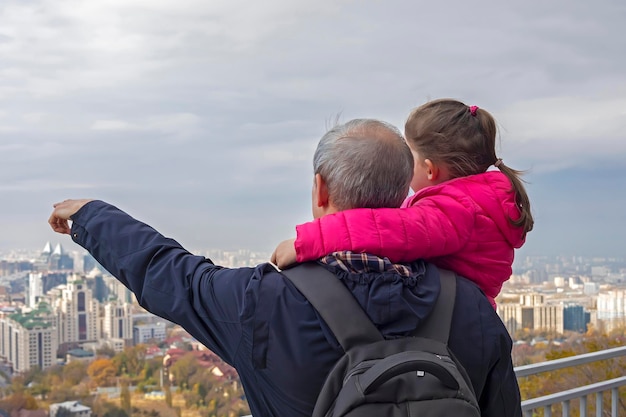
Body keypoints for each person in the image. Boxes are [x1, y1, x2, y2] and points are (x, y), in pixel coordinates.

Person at [49, 119, 522, 417]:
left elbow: (168, 273)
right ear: (404, 197)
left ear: (320, 190)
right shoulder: (470, 306)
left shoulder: (262, 302)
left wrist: (90, 214)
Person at [272, 99, 534, 308]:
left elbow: (386, 230)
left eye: (410, 156)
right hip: (465, 313)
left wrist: (306, 241)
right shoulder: (473, 202)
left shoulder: (453, 211)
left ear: (430, 170)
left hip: (452, 315)